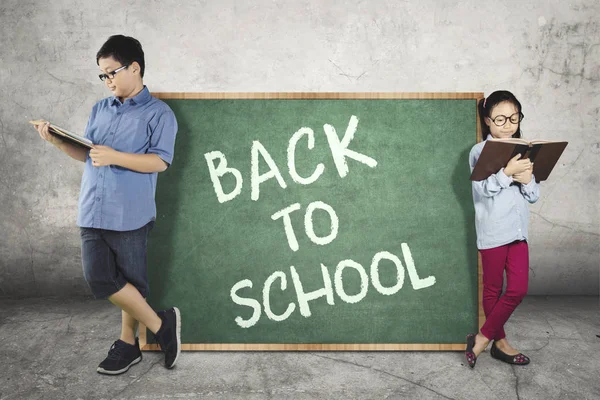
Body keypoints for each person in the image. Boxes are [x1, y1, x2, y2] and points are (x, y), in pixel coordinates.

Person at [34, 35, 181, 375]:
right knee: (99, 278)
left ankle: (128, 345)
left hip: (130, 212)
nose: (107, 80)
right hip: (92, 208)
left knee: (132, 283)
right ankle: (162, 326)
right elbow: (88, 156)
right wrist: (56, 141)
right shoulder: (100, 109)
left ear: (135, 68)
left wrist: (115, 156)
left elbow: (160, 162)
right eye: (102, 75)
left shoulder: (159, 113)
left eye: (112, 72)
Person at [465, 90, 540, 368]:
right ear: (487, 120)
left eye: (513, 117)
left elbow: (532, 196)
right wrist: (506, 174)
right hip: (493, 232)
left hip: (518, 233)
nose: (508, 124)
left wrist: (528, 179)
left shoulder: (525, 149)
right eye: (500, 119)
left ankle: (482, 338)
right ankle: (500, 343)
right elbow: (482, 191)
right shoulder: (479, 152)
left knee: (518, 289)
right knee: (493, 289)